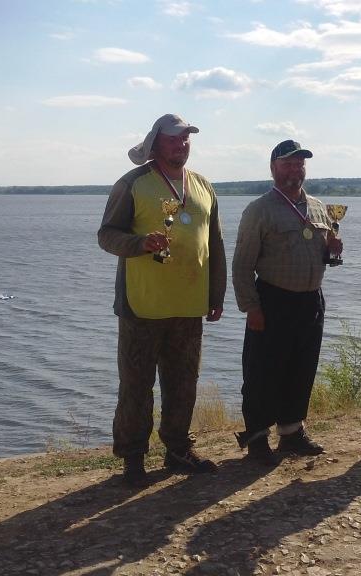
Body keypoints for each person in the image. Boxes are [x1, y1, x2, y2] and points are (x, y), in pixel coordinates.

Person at [97, 113, 226, 485]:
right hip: (142, 305)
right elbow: (107, 235)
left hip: (189, 305)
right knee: (136, 386)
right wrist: (140, 244)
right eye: (173, 139)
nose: (181, 145)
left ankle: (178, 450)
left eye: (185, 138)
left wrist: (216, 293)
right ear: (155, 144)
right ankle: (133, 458)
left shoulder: (203, 186)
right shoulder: (132, 184)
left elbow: (215, 244)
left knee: (184, 383)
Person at [232, 140, 343, 463]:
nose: (295, 170)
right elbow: (242, 265)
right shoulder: (259, 210)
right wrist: (251, 307)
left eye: (299, 164)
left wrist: (332, 249)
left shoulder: (319, 208)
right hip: (273, 300)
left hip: (311, 300)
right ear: (273, 168)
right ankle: (257, 438)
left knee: (301, 368)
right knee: (263, 371)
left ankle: (292, 432)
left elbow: (321, 251)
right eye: (287, 164)